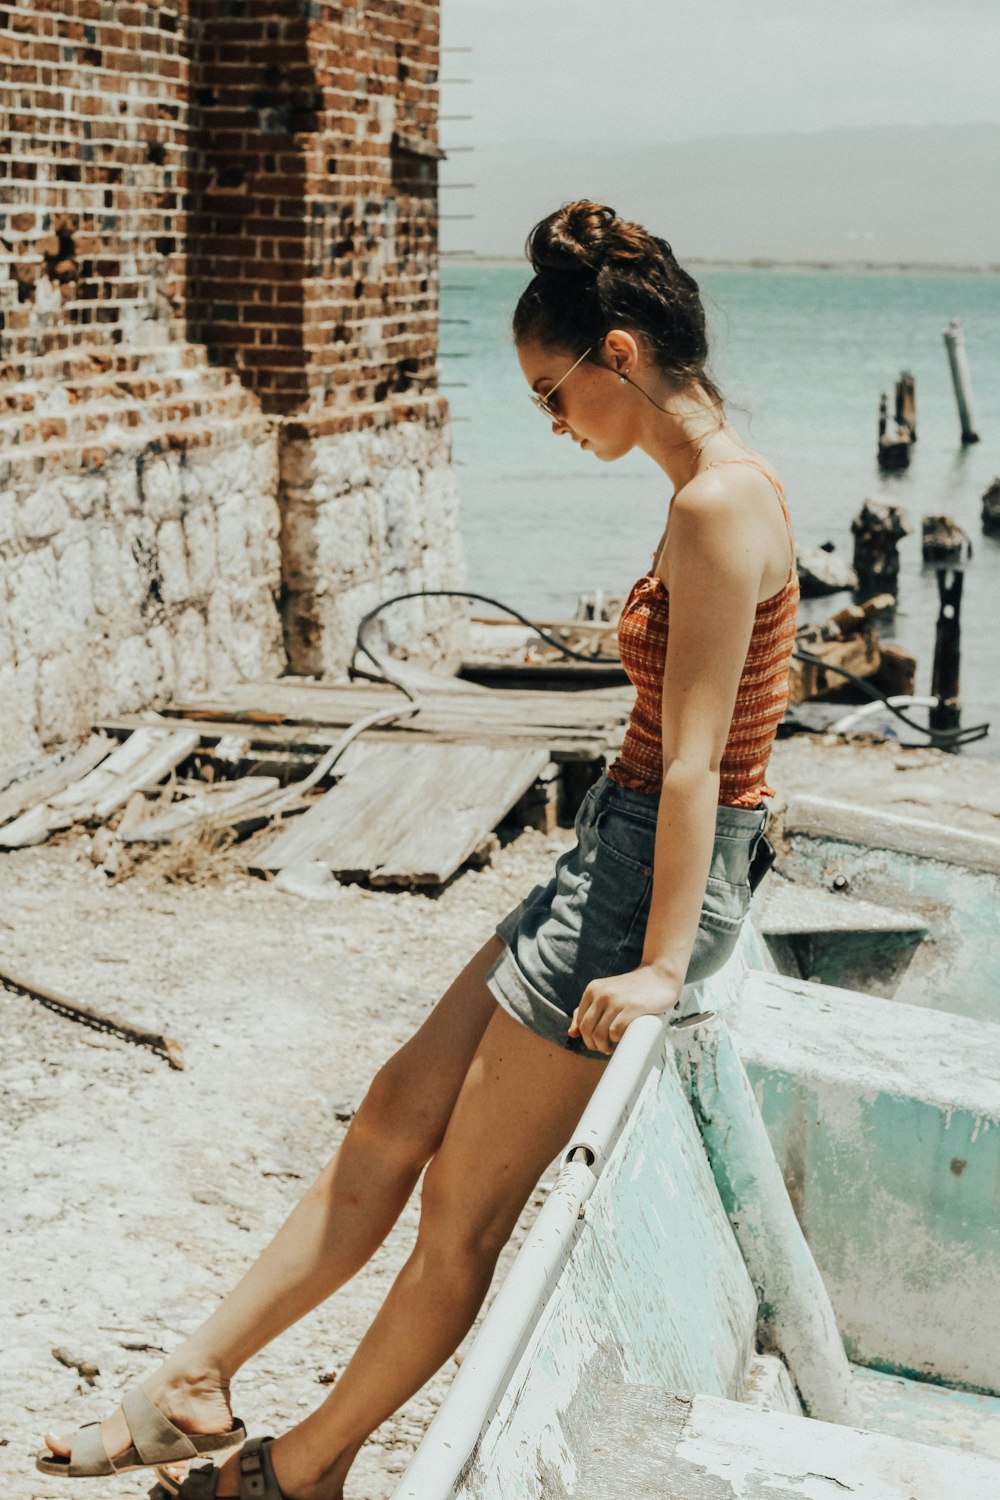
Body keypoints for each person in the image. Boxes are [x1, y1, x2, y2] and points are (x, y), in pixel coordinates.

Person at [37, 200, 799, 1500]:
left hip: (637, 893)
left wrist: (666, 961)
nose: (554, 426)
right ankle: (191, 1386)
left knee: (460, 1220)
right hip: (613, 859)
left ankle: (300, 1473)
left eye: (553, 394)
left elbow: (700, 762)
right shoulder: (712, 491)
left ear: (619, 354)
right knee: (392, 1117)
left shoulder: (722, 505)